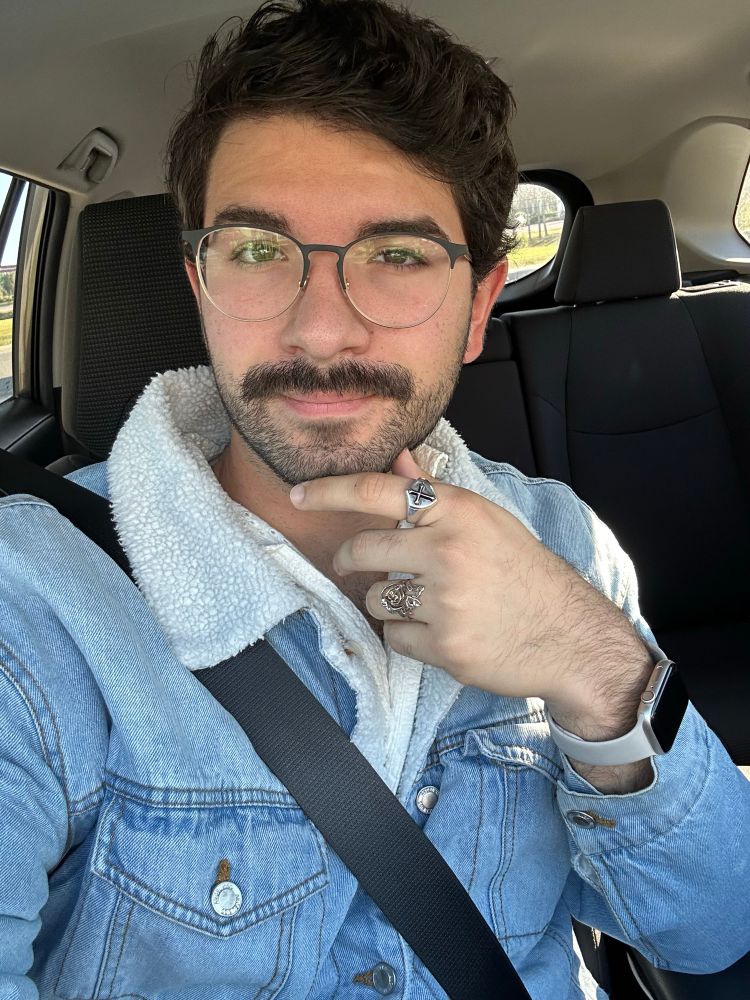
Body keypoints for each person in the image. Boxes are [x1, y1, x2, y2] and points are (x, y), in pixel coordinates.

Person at [0, 0, 748, 997]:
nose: (320, 330)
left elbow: (713, 928)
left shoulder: (563, 543)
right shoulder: (32, 602)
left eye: (396, 255)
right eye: (257, 250)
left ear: (479, 308)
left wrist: (589, 661)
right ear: (200, 285)